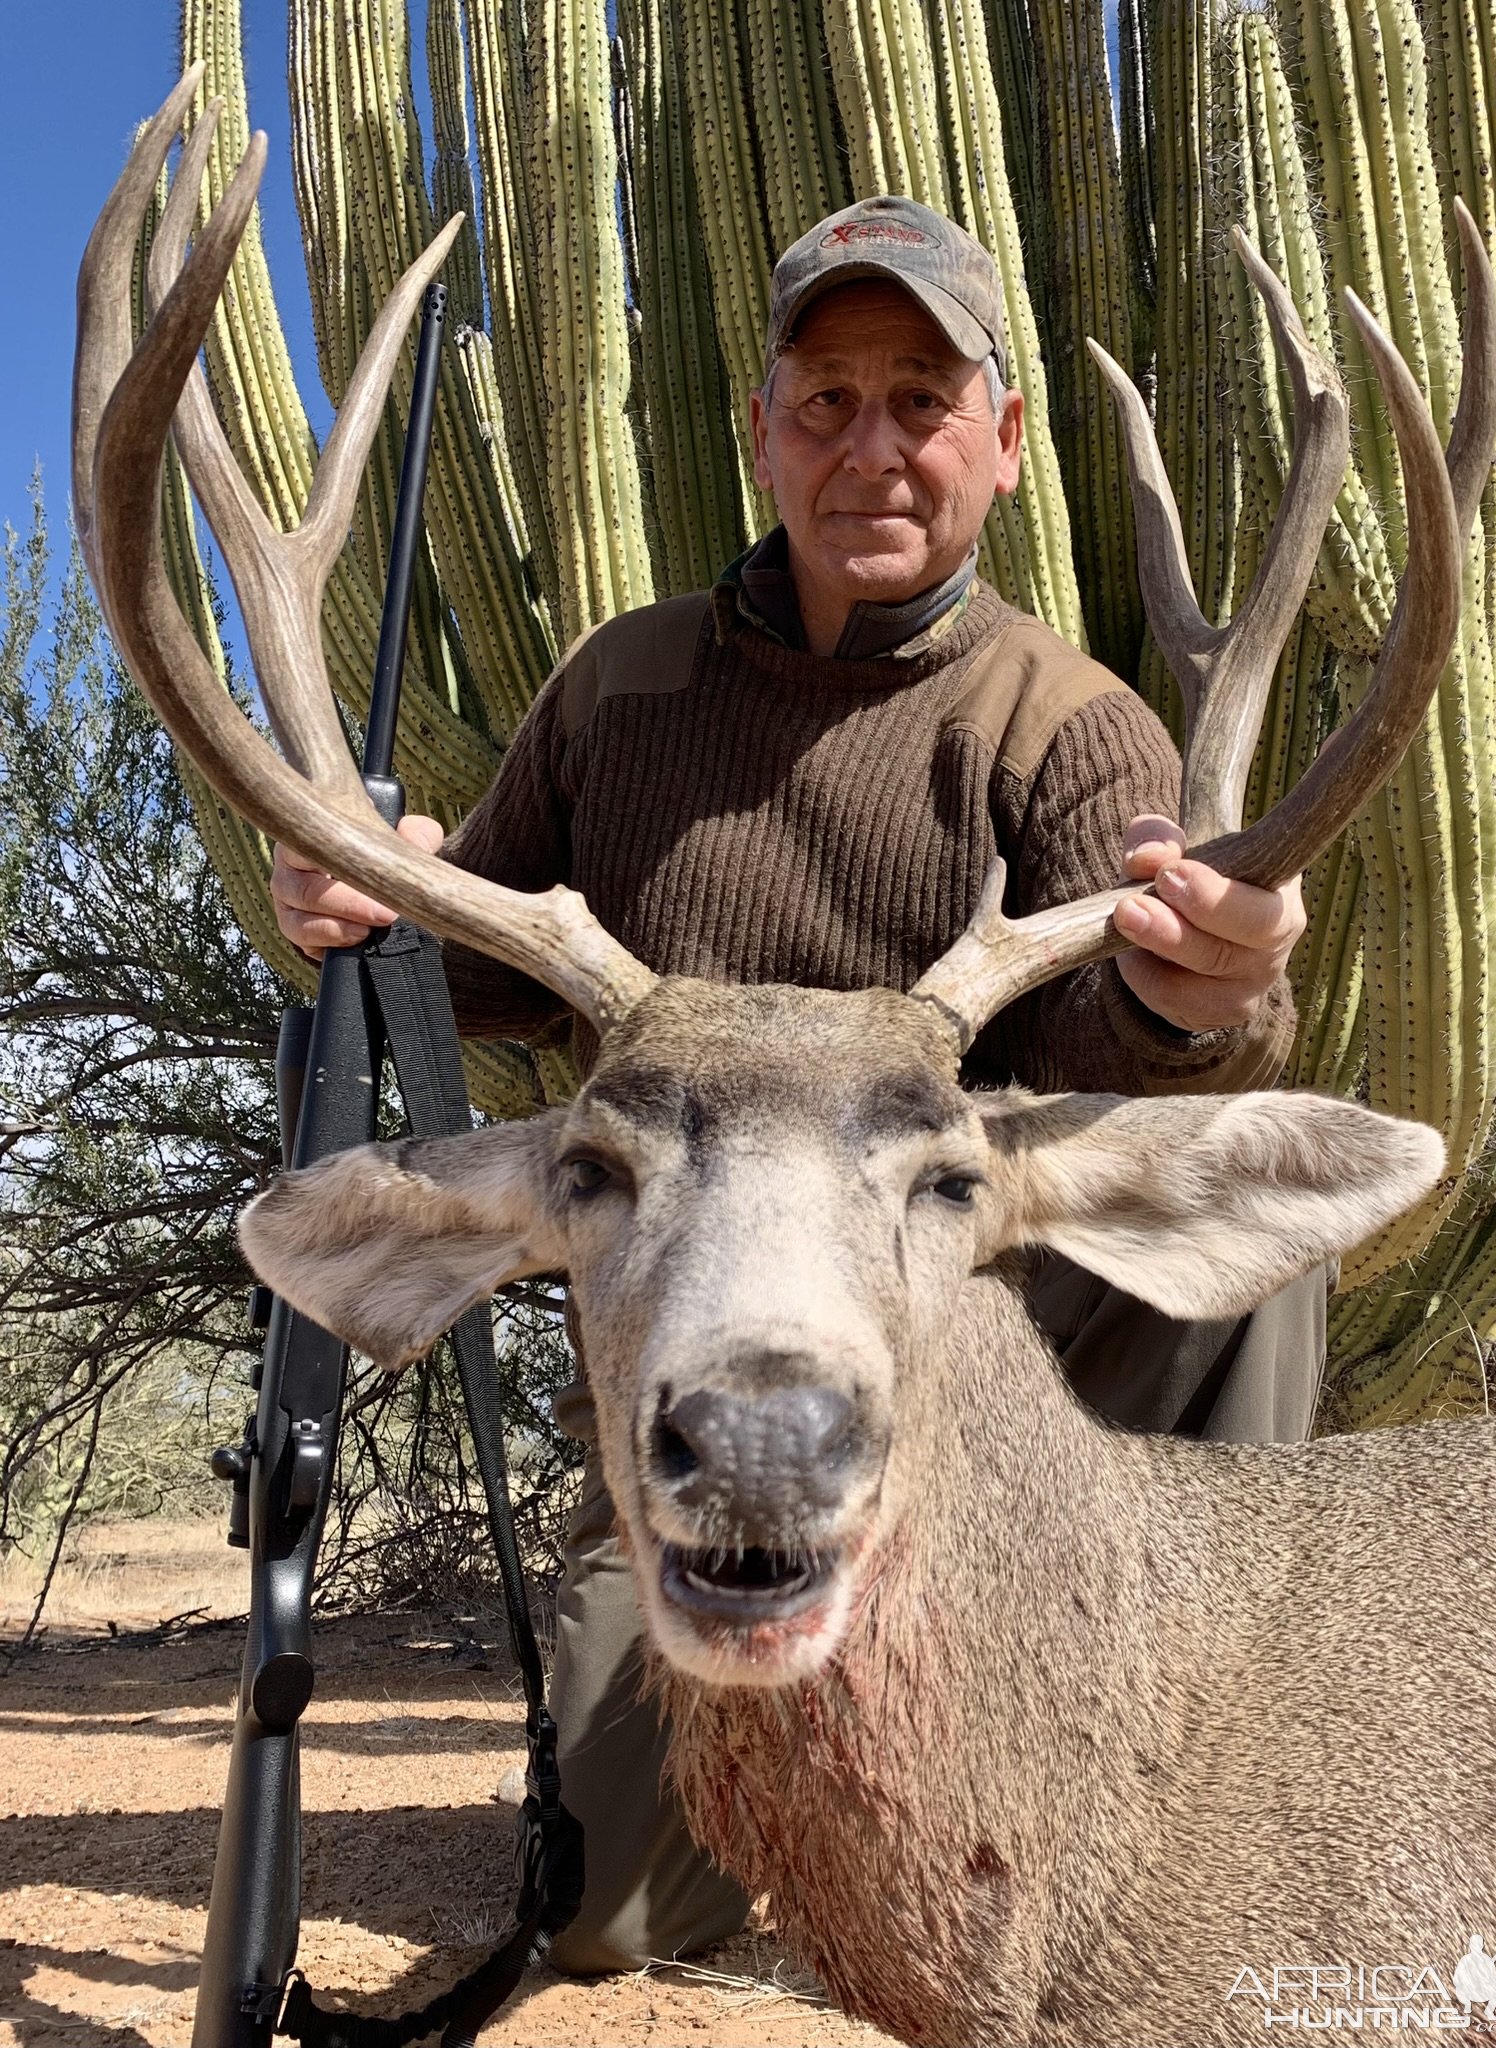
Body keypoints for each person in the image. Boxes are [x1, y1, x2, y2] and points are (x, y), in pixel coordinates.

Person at [270, 194, 1322, 1972]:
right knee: (606, 1913)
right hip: (724, 1346)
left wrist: (1202, 990)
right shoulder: (624, 690)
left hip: (986, 1346)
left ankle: (1217, 1754)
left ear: (1001, 443)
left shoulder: (1063, 724)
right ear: (760, 433)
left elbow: (1135, 1051)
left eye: (922, 397)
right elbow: (484, 986)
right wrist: (370, 916)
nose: (873, 446)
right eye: (825, 399)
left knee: (1259, 1272)